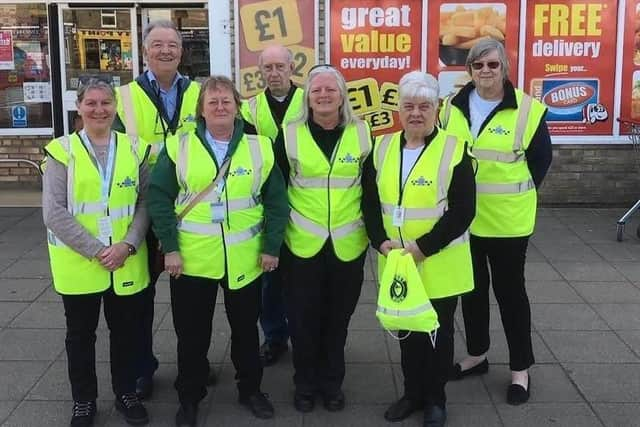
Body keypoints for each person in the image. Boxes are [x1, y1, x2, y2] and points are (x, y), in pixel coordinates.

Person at [146, 76, 289, 426]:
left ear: (238, 107)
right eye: (213, 102)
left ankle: (251, 390)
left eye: (227, 101)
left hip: (246, 257)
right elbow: (159, 199)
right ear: (202, 110)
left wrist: (272, 247)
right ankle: (190, 397)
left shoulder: (260, 146)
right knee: (192, 335)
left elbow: (276, 201)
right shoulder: (178, 145)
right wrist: (171, 249)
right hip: (191, 260)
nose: (221, 107)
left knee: (245, 330)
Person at [440, 38, 552, 405]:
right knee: (471, 292)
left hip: (507, 222)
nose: (485, 71)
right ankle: (477, 354)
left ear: (504, 68)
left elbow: (540, 162)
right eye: (477, 65)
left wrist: (516, 194)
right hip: (464, 221)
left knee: (510, 295)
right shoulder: (450, 108)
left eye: (492, 65)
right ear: (468, 70)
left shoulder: (527, 111)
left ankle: (521, 368)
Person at [362, 71, 475, 427]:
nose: (416, 113)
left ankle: (435, 399)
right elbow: (368, 203)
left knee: (437, 333)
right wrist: (380, 241)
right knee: (407, 331)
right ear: (398, 110)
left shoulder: (454, 149)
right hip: (396, 261)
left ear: (437, 109)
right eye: (408, 106)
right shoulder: (381, 148)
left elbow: (463, 211)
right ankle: (412, 393)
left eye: (424, 106)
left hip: (439, 261)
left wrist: (422, 248)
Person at [42, 79, 150, 427]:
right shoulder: (61, 151)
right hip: (80, 263)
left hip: (126, 259)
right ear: (79, 106)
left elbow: (146, 203)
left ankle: (126, 392)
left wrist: (127, 244)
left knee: (126, 334)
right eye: (91, 103)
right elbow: (54, 212)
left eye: (106, 103)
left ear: (116, 107)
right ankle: (84, 401)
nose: (99, 109)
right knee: (80, 336)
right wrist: (99, 251)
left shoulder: (137, 148)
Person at [274, 64, 372, 413]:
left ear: (342, 95)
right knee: (302, 320)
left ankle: (332, 384)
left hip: (348, 245)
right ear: (308, 97)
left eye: (331, 90)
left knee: (337, 319)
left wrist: (379, 237)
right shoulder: (288, 135)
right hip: (301, 244)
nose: (324, 95)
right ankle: (305, 384)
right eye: (317, 90)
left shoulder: (363, 134)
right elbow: (275, 192)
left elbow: (372, 191)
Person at [113, 19, 203, 399]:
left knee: (193, 302)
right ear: (145, 51)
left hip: (191, 209)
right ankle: (141, 368)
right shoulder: (125, 96)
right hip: (144, 205)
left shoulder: (199, 92)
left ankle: (193, 368)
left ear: (181, 52)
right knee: (139, 299)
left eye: (172, 45)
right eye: (157, 44)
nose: (165, 50)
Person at [240, 44, 304, 366]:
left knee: (303, 277)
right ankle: (275, 337)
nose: (275, 73)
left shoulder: (310, 101)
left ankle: (306, 335)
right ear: (260, 71)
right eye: (268, 68)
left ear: (292, 68)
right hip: (266, 205)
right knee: (270, 277)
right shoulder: (249, 109)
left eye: (281, 66)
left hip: (308, 203)